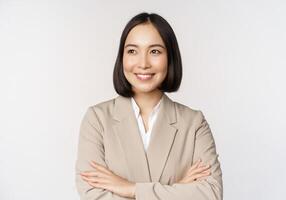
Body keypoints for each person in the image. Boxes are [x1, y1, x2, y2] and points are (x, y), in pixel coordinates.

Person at [75, 12, 223, 200]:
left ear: (170, 57)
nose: (143, 63)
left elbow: (210, 194)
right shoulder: (97, 119)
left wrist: (130, 188)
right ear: (122, 58)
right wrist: (178, 189)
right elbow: (93, 195)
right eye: (132, 51)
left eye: (155, 51)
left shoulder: (194, 123)